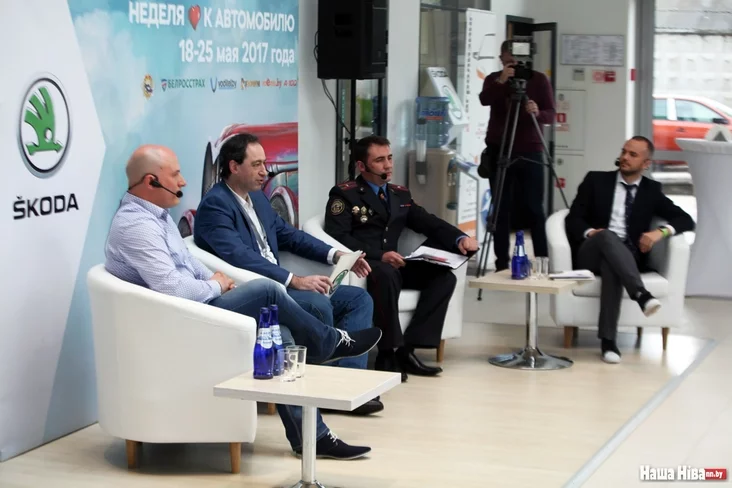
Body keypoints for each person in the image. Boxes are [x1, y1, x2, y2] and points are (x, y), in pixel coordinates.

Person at [104, 144, 382, 459]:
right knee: (268, 291)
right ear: (151, 181)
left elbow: (190, 263)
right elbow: (172, 288)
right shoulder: (137, 226)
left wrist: (218, 281)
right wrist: (214, 284)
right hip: (183, 320)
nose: (183, 181)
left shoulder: (158, 215)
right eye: (176, 175)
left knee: (280, 334)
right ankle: (329, 342)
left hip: (198, 307)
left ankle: (313, 438)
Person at [193, 133, 384, 416]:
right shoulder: (216, 205)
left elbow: (289, 236)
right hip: (259, 290)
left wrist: (336, 255)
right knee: (318, 304)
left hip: (284, 285)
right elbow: (239, 256)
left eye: (264, 163)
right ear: (234, 166)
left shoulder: (256, 197)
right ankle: (323, 385)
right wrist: (294, 279)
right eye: (256, 164)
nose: (265, 171)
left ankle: (345, 384)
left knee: (358, 299)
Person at [323, 135, 479, 382]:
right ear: (362, 166)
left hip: (396, 263)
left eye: (389, 158)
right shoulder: (345, 195)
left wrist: (460, 238)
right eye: (379, 160)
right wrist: (379, 255)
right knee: (386, 275)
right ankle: (387, 354)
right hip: (368, 265)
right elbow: (338, 236)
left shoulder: (399, 194)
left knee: (443, 278)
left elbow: (427, 222)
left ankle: (408, 350)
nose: (388, 165)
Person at [564, 136, 695, 363]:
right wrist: (591, 233)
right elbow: (573, 219)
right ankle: (640, 294)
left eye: (632, 154)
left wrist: (660, 232)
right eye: (624, 152)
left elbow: (686, 220)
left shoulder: (651, 190)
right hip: (591, 250)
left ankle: (608, 342)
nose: (624, 157)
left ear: (646, 163)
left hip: (627, 256)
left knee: (612, 264)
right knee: (607, 236)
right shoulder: (596, 180)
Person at [478, 40, 556, 271]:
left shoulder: (539, 80)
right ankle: (501, 263)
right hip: (500, 149)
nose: (514, 62)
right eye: (509, 57)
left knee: (534, 208)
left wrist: (538, 112)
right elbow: (484, 99)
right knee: (501, 208)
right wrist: (502, 81)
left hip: (531, 149)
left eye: (518, 57)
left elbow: (551, 114)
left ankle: (542, 261)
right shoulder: (494, 79)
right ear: (501, 58)